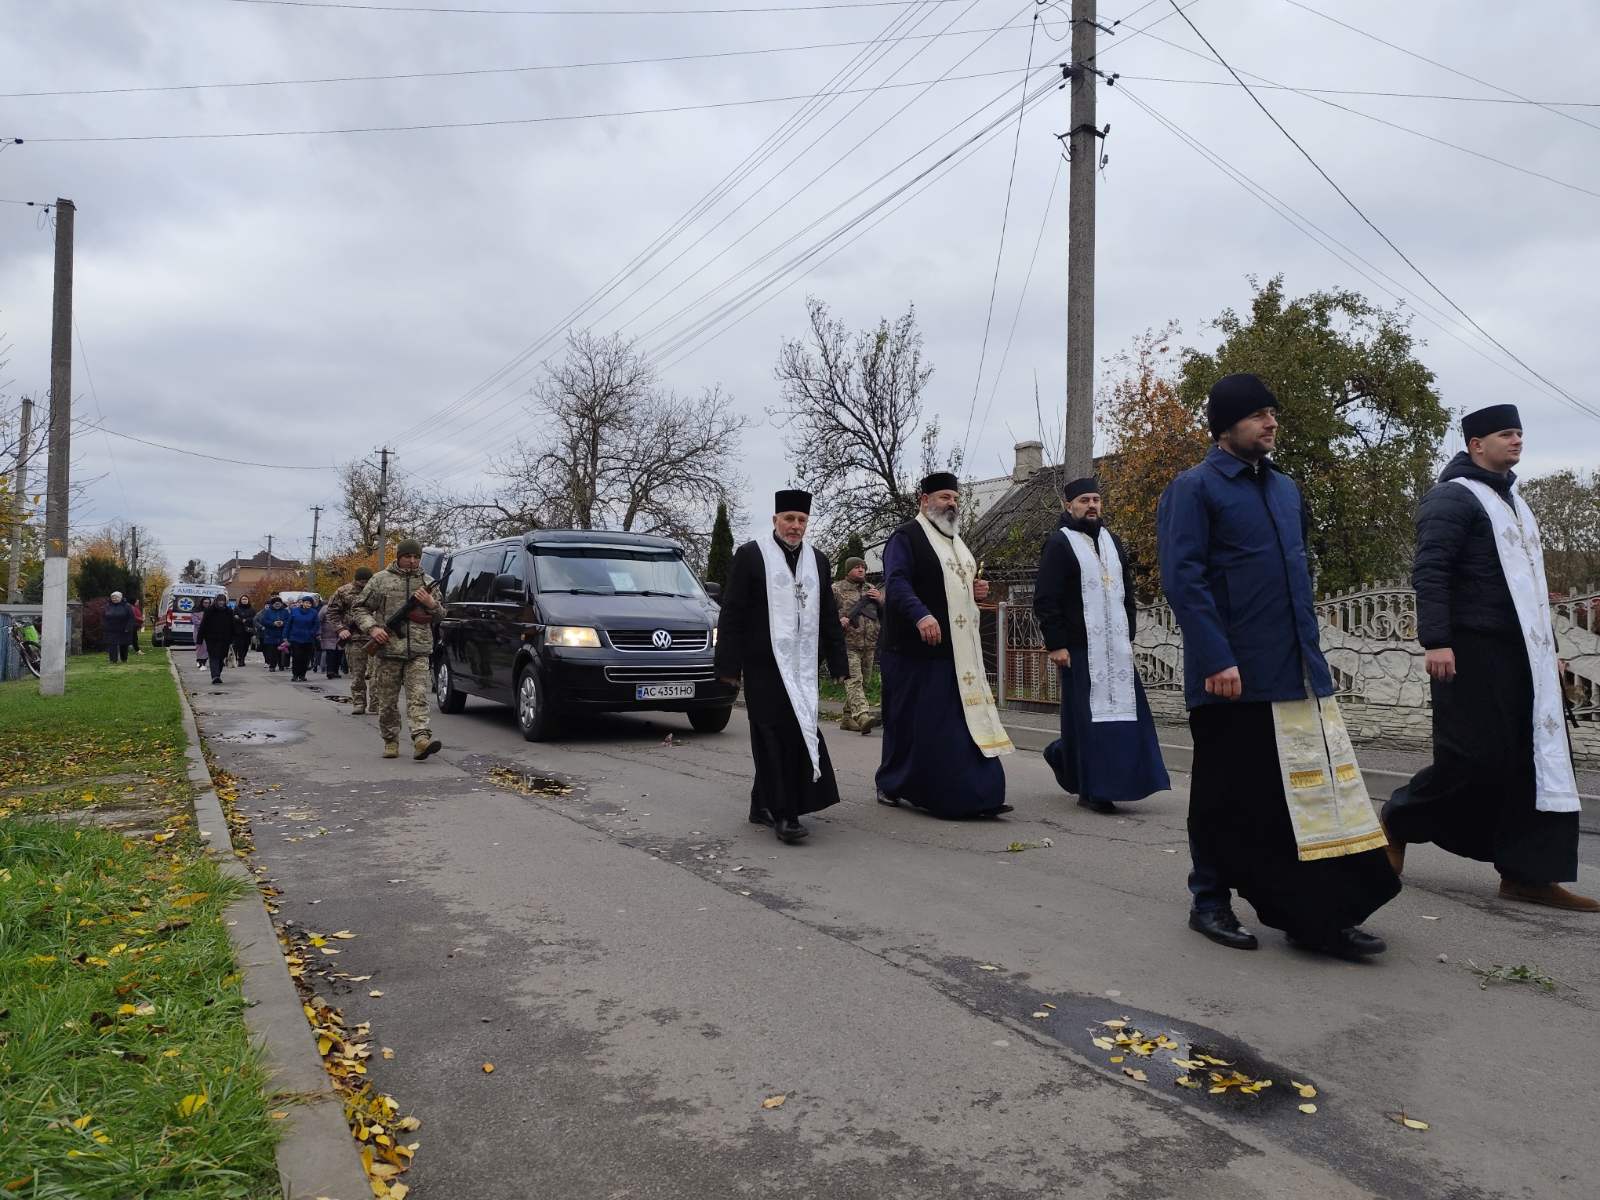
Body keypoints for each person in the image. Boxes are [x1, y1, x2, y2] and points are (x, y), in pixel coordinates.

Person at [1158, 373, 1400, 959]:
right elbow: (1183, 580)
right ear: (1225, 426)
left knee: (1303, 801)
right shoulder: (1194, 489)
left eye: (1273, 414)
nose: (1271, 423)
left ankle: (1311, 913)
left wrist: (1315, 660)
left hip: (1295, 673)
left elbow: (1297, 578)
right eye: (1258, 414)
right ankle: (1209, 900)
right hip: (1229, 677)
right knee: (1222, 793)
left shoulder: (1287, 490)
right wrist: (1216, 655)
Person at [1383, 406, 1595, 912]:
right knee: (1473, 759)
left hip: (1525, 656)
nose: (1517, 440)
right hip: (1470, 651)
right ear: (1477, 444)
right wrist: (1436, 640)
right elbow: (1430, 571)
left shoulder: (1517, 503)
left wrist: (1552, 653)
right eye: (1506, 433)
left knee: (1534, 764)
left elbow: (1533, 587)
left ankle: (1529, 875)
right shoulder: (1452, 498)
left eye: (1521, 431)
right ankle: (1398, 819)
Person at [875, 473, 1015, 818]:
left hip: (955, 653)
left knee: (954, 724)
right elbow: (896, 582)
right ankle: (892, 784)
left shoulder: (957, 542)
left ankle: (977, 794)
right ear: (924, 501)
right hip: (911, 651)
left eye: (954, 498)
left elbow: (955, 591)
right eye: (943, 497)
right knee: (906, 722)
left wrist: (976, 591)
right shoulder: (905, 537)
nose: (951, 503)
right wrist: (921, 615)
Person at [714, 489, 849, 844]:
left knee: (798, 730)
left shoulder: (817, 560)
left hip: (802, 666)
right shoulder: (751, 556)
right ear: (775, 520)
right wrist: (729, 667)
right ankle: (786, 814)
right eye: (789, 519)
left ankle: (762, 803)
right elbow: (732, 613)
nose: (795, 526)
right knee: (771, 735)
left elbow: (828, 615)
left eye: (802, 520)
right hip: (763, 664)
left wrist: (838, 660)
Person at [1033, 477, 1170, 814]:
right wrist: (1057, 644)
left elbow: (1127, 591)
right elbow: (1046, 599)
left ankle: (1111, 774)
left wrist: (1128, 632)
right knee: (1087, 721)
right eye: (1084, 500)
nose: (1091, 505)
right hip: (1079, 649)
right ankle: (1093, 788)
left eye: (1096, 499)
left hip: (1116, 649)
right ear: (1069, 506)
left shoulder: (1113, 541)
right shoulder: (1059, 543)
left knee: (1125, 718)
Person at [352, 540, 443, 760]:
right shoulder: (380, 580)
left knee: (418, 696)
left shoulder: (427, 582)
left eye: (416, 557)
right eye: (407, 556)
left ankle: (421, 739)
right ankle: (390, 740)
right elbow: (360, 608)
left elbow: (441, 615)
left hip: (418, 650)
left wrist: (431, 603)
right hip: (388, 650)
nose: (412, 561)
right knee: (387, 701)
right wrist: (372, 628)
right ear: (399, 556)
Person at [830, 555, 882, 734]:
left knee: (864, 682)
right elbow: (824, 613)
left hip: (870, 644)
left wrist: (881, 600)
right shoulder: (836, 589)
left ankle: (847, 718)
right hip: (848, 644)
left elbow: (884, 613)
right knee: (854, 680)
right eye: (856, 567)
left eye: (863, 567)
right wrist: (839, 620)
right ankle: (861, 715)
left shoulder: (871, 589)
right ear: (848, 570)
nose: (861, 570)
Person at [326, 567, 374, 715]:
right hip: (354, 638)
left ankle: (376, 704)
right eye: (361, 582)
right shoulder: (343, 591)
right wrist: (340, 629)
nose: (364, 585)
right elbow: (332, 611)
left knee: (378, 675)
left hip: (376, 637)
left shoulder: (378, 589)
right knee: (357, 674)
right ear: (356, 580)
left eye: (367, 582)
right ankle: (359, 703)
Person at [196, 594, 235, 685]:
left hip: (225, 639)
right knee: (214, 657)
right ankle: (215, 676)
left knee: (221, 658)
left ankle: (218, 674)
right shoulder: (209, 610)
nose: (221, 602)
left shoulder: (229, 611)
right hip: (211, 638)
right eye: (219, 600)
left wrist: (233, 639)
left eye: (223, 601)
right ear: (216, 601)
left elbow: (232, 625)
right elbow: (203, 625)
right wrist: (200, 639)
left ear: (225, 602)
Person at [285, 595, 320, 681]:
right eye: (307, 602)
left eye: (310, 603)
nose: (308, 604)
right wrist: (285, 636)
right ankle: (295, 675)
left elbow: (316, 625)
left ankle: (302, 675)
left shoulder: (314, 612)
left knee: (305, 658)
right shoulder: (295, 611)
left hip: (308, 639)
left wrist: (312, 633)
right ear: (302, 603)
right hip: (295, 637)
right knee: (297, 657)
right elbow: (288, 624)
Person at [256, 597, 290, 672]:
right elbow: (263, 621)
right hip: (271, 634)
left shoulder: (285, 611)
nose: (277, 605)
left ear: (281, 604)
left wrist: (283, 623)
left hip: (282, 634)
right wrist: (273, 623)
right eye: (276, 604)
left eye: (279, 604)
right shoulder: (268, 611)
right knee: (272, 651)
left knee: (281, 651)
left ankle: (281, 665)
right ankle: (272, 666)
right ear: (272, 604)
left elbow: (289, 620)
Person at [101, 591, 135, 663]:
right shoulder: (108, 606)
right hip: (111, 629)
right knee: (112, 645)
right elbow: (104, 616)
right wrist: (104, 625)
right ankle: (113, 660)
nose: (114, 599)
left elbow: (131, 618)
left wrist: (128, 627)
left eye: (116, 597)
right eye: (113, 597)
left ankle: (124, 659)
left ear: (120, 598)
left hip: (123, 629)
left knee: (123, 644)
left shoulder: (127, 606)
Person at [316, 599, 344, 680]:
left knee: (339, 654)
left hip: (340, 634)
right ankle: (330, 671)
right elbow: (319, 621)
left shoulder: (342, 608)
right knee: (330, 654)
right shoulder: (325, 608)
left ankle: (336, 671)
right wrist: (319, 632)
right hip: (328, 635)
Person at [231, 596, 255, 667]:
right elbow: (234, 617)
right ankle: (238, 659)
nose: (244, 600)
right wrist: (241, 620)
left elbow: (254, 618)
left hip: (247, 631)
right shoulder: (237, 608)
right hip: (238, 631)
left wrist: (246, 620)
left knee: (245, 646)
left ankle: (242, 659)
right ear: (240, 600)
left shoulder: (251, 609)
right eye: (243, 599)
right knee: (238, 646)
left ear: (248, 600)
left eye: (246, 599)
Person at [194, 597, 214, 671]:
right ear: (202, 603)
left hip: (209, 633)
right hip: (198, 632)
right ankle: (199, 660)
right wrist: (204, 623)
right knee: (200, 647)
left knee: (207, 648)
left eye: (208, 603)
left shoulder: (211, 611)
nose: (206, 604)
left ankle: (204, 661)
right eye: (205, 602)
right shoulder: (196, 611)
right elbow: (196, 622)